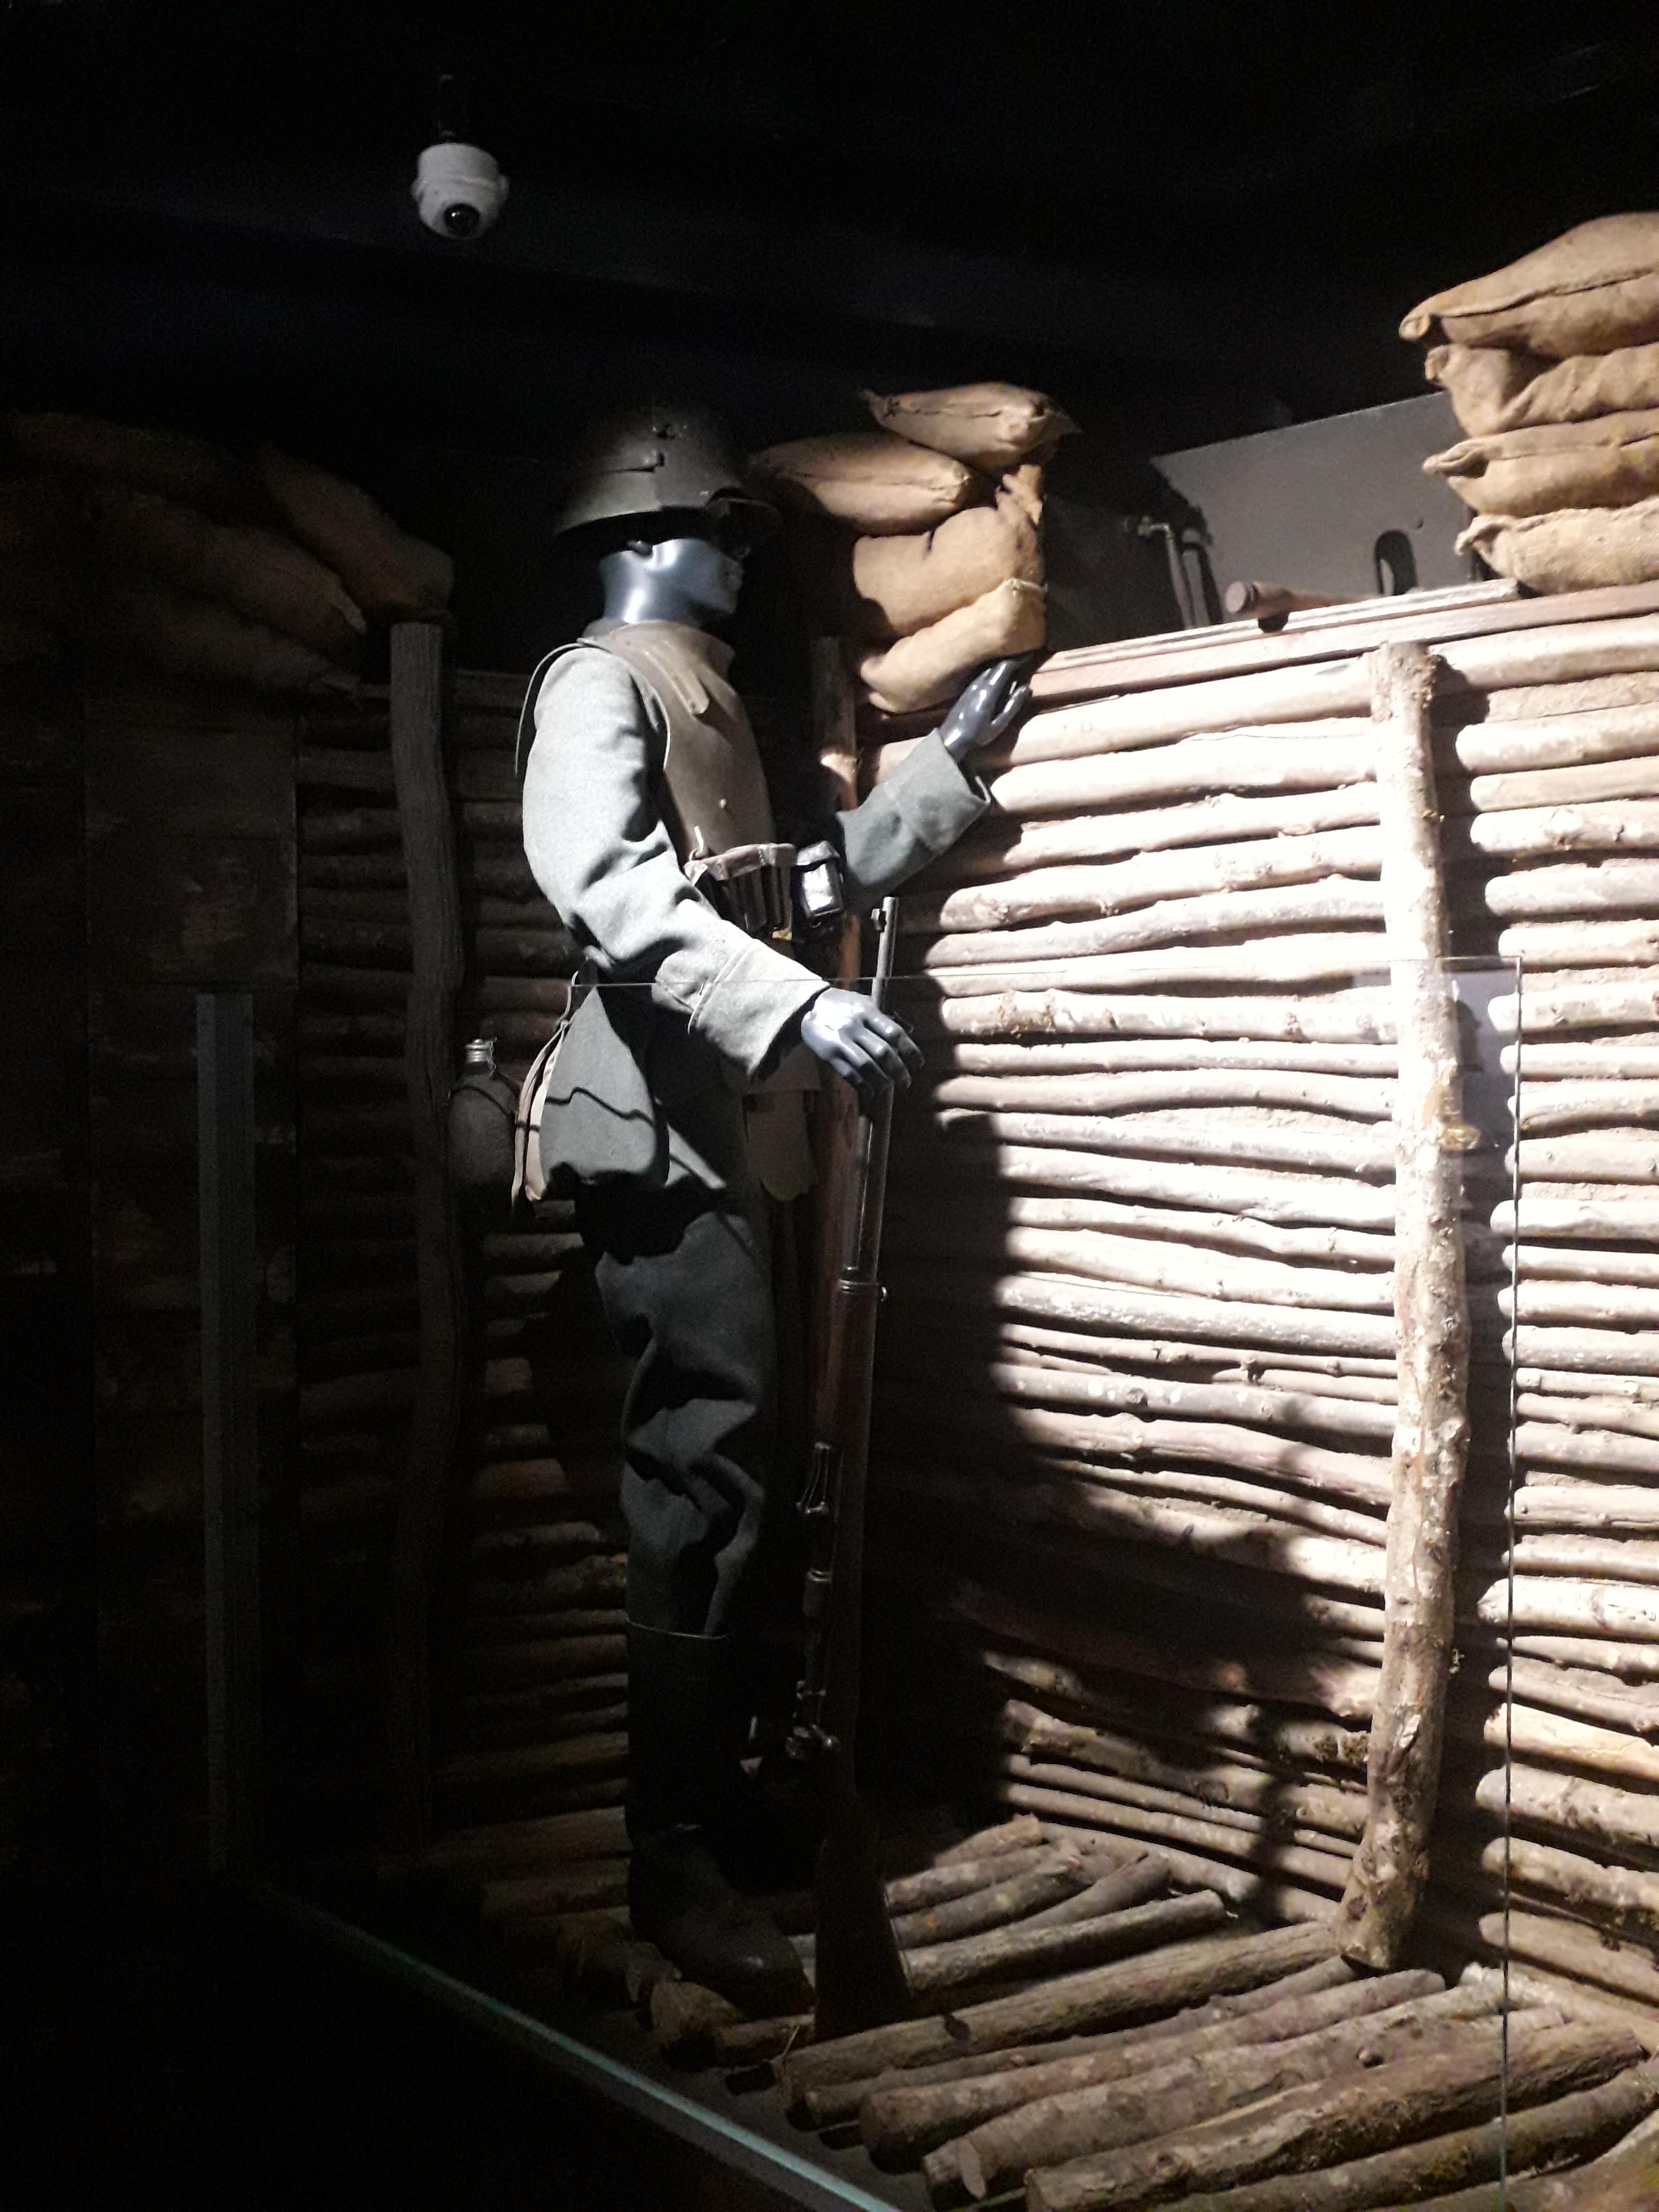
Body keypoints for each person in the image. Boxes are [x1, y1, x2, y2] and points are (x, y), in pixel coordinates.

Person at [516, 402, 1028, 2011]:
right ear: (636, 538)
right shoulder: (599, 683)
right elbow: (609, 889)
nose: (738, 557)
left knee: (747, 1478)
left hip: (738, 1132)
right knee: (702, 1481)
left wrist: (946, 778)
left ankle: (725, 1798)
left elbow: (788, 891)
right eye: (715, 530)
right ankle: (670, 1851)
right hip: (659, 1136)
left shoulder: (709, 697)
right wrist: (797, 1010)